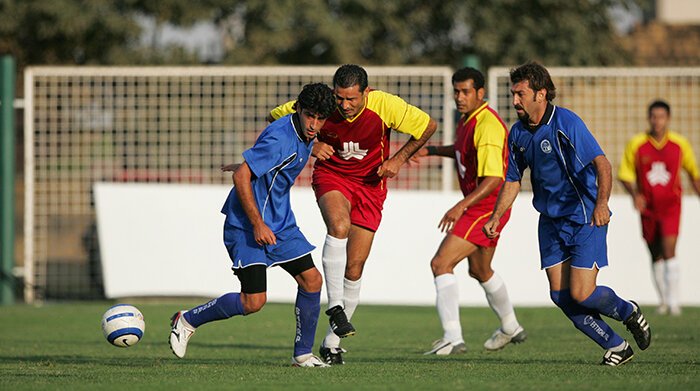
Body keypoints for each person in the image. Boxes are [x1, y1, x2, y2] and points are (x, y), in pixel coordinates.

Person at [482, 62, 652, 366]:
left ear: (541, 94)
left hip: (584, 216)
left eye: (520, 94)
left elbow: (603, 164)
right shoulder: (518, 133)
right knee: (561, 296)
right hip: (550, 222)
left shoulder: (566, 123)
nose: (515, 101)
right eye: (513, 94)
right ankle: (617, 346)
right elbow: (512, 179)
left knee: (582, 293)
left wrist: (602, 204)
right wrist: (496, 216)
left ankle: (627, 311)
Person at [268, 64, 437, 365]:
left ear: (366, 94)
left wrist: (398, 159)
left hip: (371, 186)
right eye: (340, 98)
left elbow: (428, 126)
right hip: (333, 177)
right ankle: (335, 306)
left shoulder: (385, 105)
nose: (344, 106)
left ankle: (332, 343)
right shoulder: (322, 103)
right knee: (339, 225)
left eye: (352, 100)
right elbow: (276, 116)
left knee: (355, 267)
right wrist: (312, 143)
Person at [168, 83, 336, 367]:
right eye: (310, 116)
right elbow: (242, 177)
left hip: (280, 224)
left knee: (312, 281)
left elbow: (260, 163)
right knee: (253, 302)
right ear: (298, 109)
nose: (314, 124)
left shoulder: (305, 135)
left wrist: (312, 145)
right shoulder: (280, 138)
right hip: (248, 225)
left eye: (320, 119)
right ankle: (187, 320)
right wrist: (257, 223)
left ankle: (303, 355)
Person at [413, 67, 525, 355]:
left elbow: (494, 179)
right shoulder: (469, 120)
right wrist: (435, 151)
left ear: (480, 93)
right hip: (483, 206)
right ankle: (511, 325)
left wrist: (460, 206)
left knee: (441, 263)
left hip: (485, 208)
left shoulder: (487, 125)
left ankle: (452, 336)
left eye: (465, 92)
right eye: (456, 91)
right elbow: (464, 150)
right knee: (480, 270)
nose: (459, 97)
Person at [618, 100, 700, 316]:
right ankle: (663, 301)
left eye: (661, 117)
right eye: (654, 116)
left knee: (669, 250)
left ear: (668, 119)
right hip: (648, 208)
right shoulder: (637, 144)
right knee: (655, 254)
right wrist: (635, 195)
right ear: (649, 118)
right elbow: (625, 175)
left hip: (671, 206)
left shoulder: (679, 144)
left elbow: (694, 173)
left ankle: (674, 303)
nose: (657, 121)